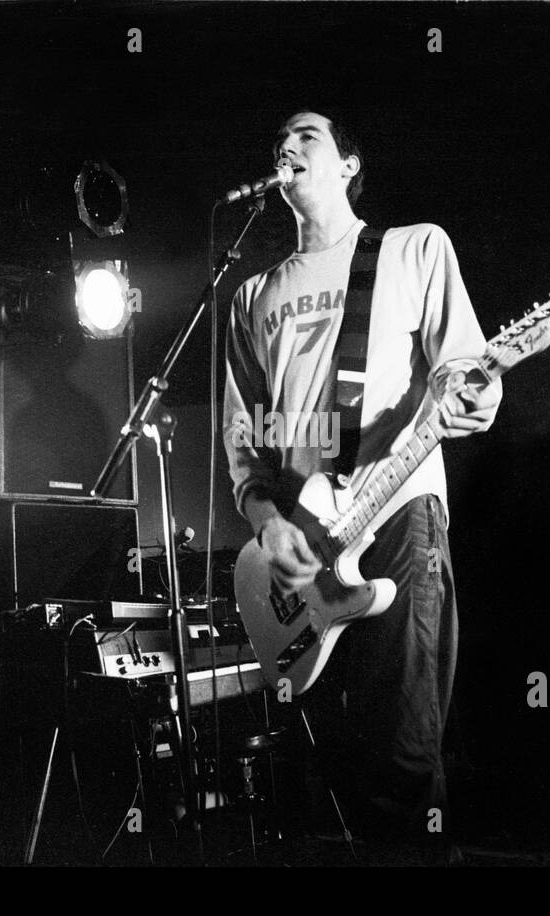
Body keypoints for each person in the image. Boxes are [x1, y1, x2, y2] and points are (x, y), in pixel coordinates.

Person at [222, 111, 529, 853]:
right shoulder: (250, 294)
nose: (286, 149)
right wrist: (268, 522)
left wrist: (476, 391)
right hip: (301, 553)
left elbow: (460, 366)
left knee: (403, 751)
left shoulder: (413, 249)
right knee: (337, 767)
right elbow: (244, 437)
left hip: (397, 516)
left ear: (349, 163)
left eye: (306, 137)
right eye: (278, 143)